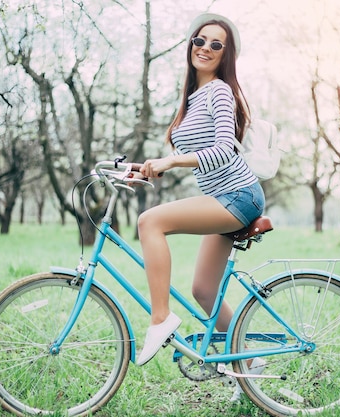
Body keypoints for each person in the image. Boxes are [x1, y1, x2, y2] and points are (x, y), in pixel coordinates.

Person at [136, 13, 265, 375]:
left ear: (226, 55)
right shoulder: (193, 98)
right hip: (222, 198)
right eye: (200, 40)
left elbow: (227, 149)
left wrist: (173, 161)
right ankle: (250, 365)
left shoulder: (220, 92)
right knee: (205, 290)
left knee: (150, 222)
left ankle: (160, 317)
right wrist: (143, 170)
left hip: (238, 195)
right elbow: (196, 154)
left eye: (216, 44)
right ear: (190, 44)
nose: (205, 48)